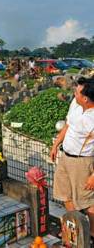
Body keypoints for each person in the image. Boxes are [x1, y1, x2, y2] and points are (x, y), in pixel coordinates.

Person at [50, 77, 94, 237]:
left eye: (77, 92)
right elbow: (68, 126)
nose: (74, 93)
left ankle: (92, 234)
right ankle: (74, 230)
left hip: (82, 162)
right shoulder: (76, 105)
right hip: (65, 157)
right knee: (65, 194)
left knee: (87, 202)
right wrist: (55, 145)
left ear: (85, 98)